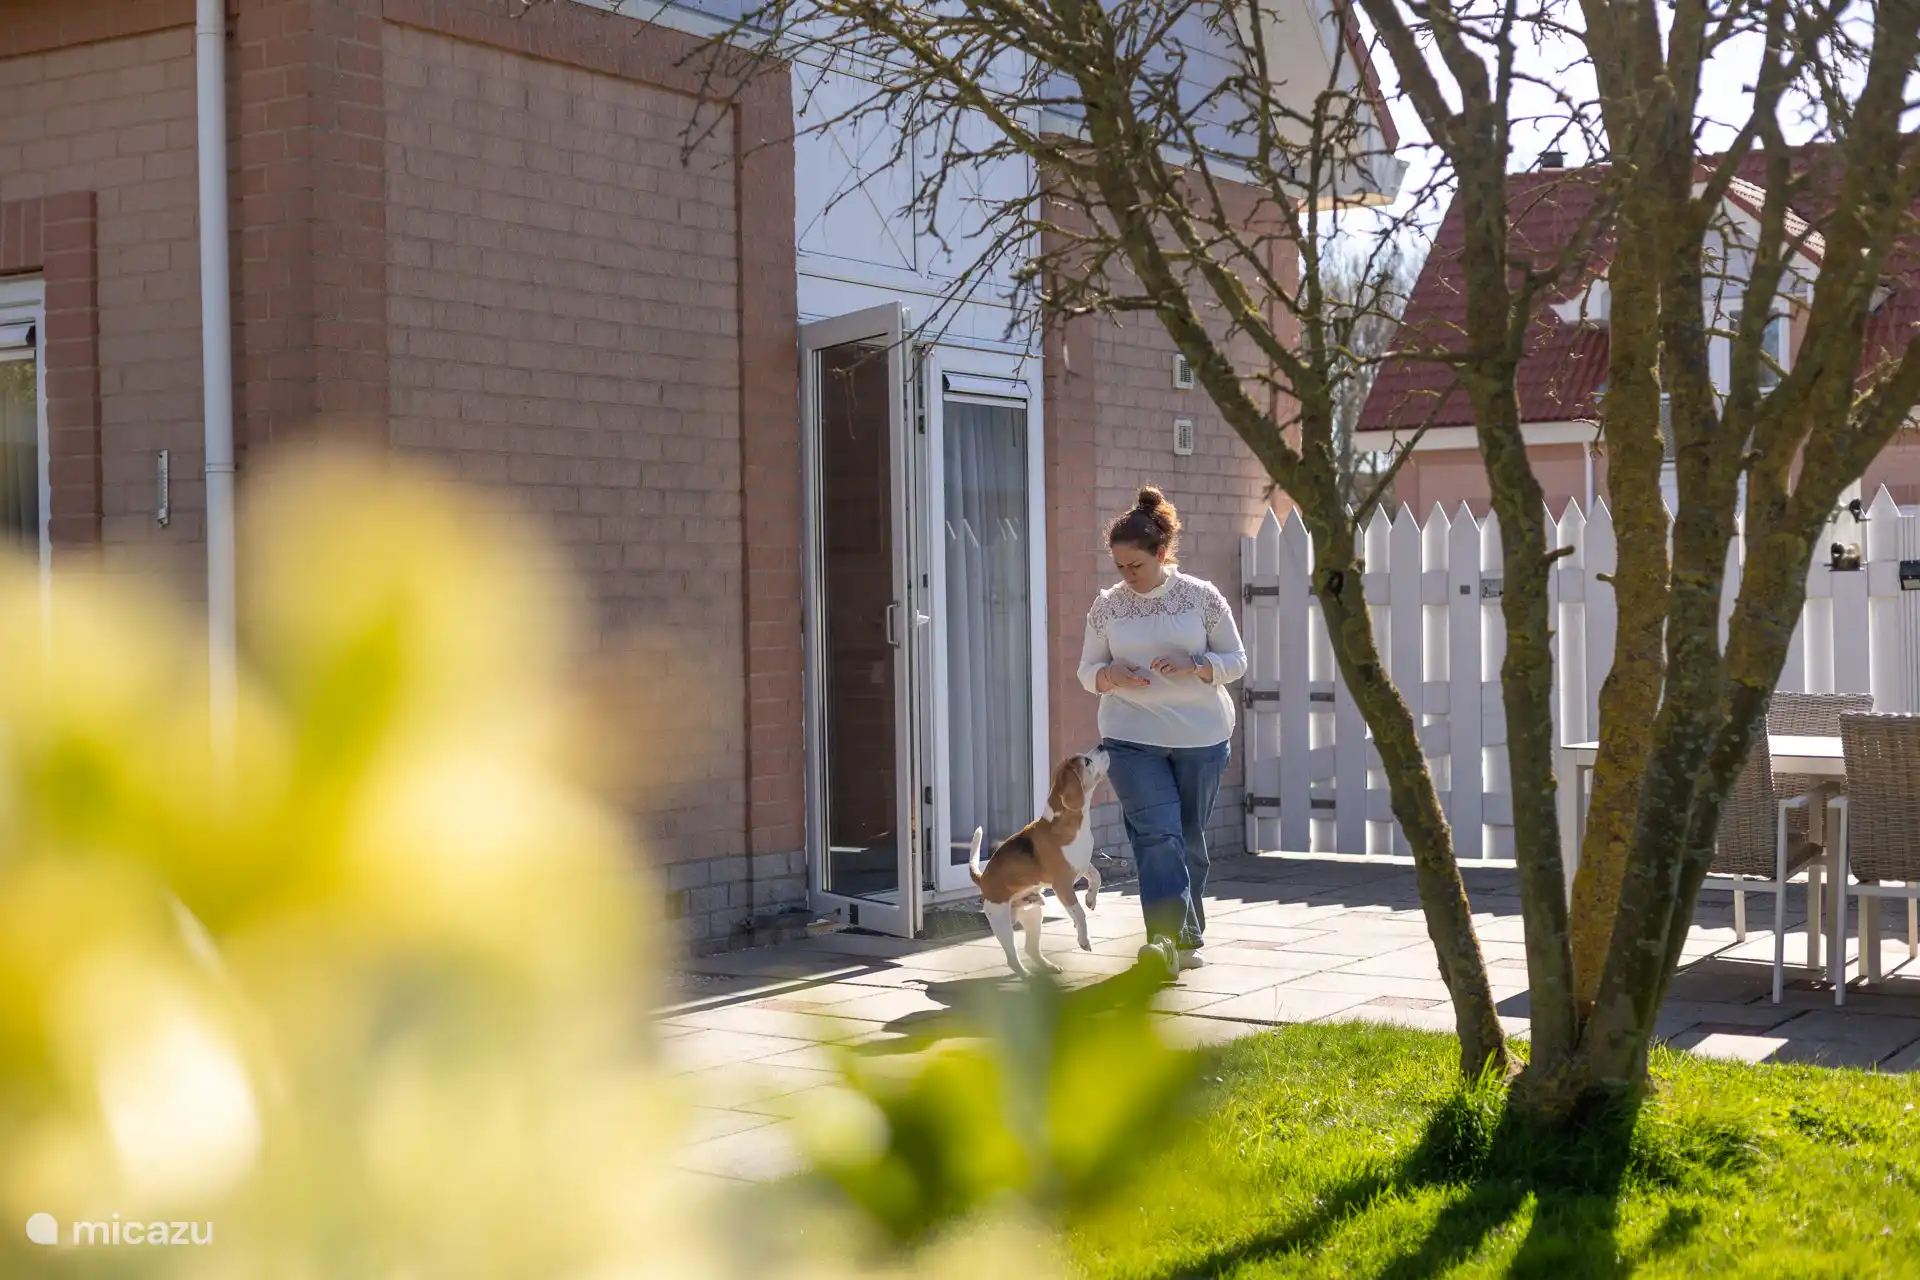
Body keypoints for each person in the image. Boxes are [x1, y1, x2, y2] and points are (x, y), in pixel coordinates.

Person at [1076, 486, 1247, 979]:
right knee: (1157, 835)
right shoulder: (1107, 607)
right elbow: (1087, 671)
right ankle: (1165, 937)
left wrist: (1195, 665)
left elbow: (1236, 662)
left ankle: (1186, 932)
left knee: (1187, 838)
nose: (1128, 577)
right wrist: (1112, 678)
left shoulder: (1201, 597)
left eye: (1137, 566)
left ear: (1162, 554)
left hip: (1202, 738)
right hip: (1130, 737)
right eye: (1120, 567)